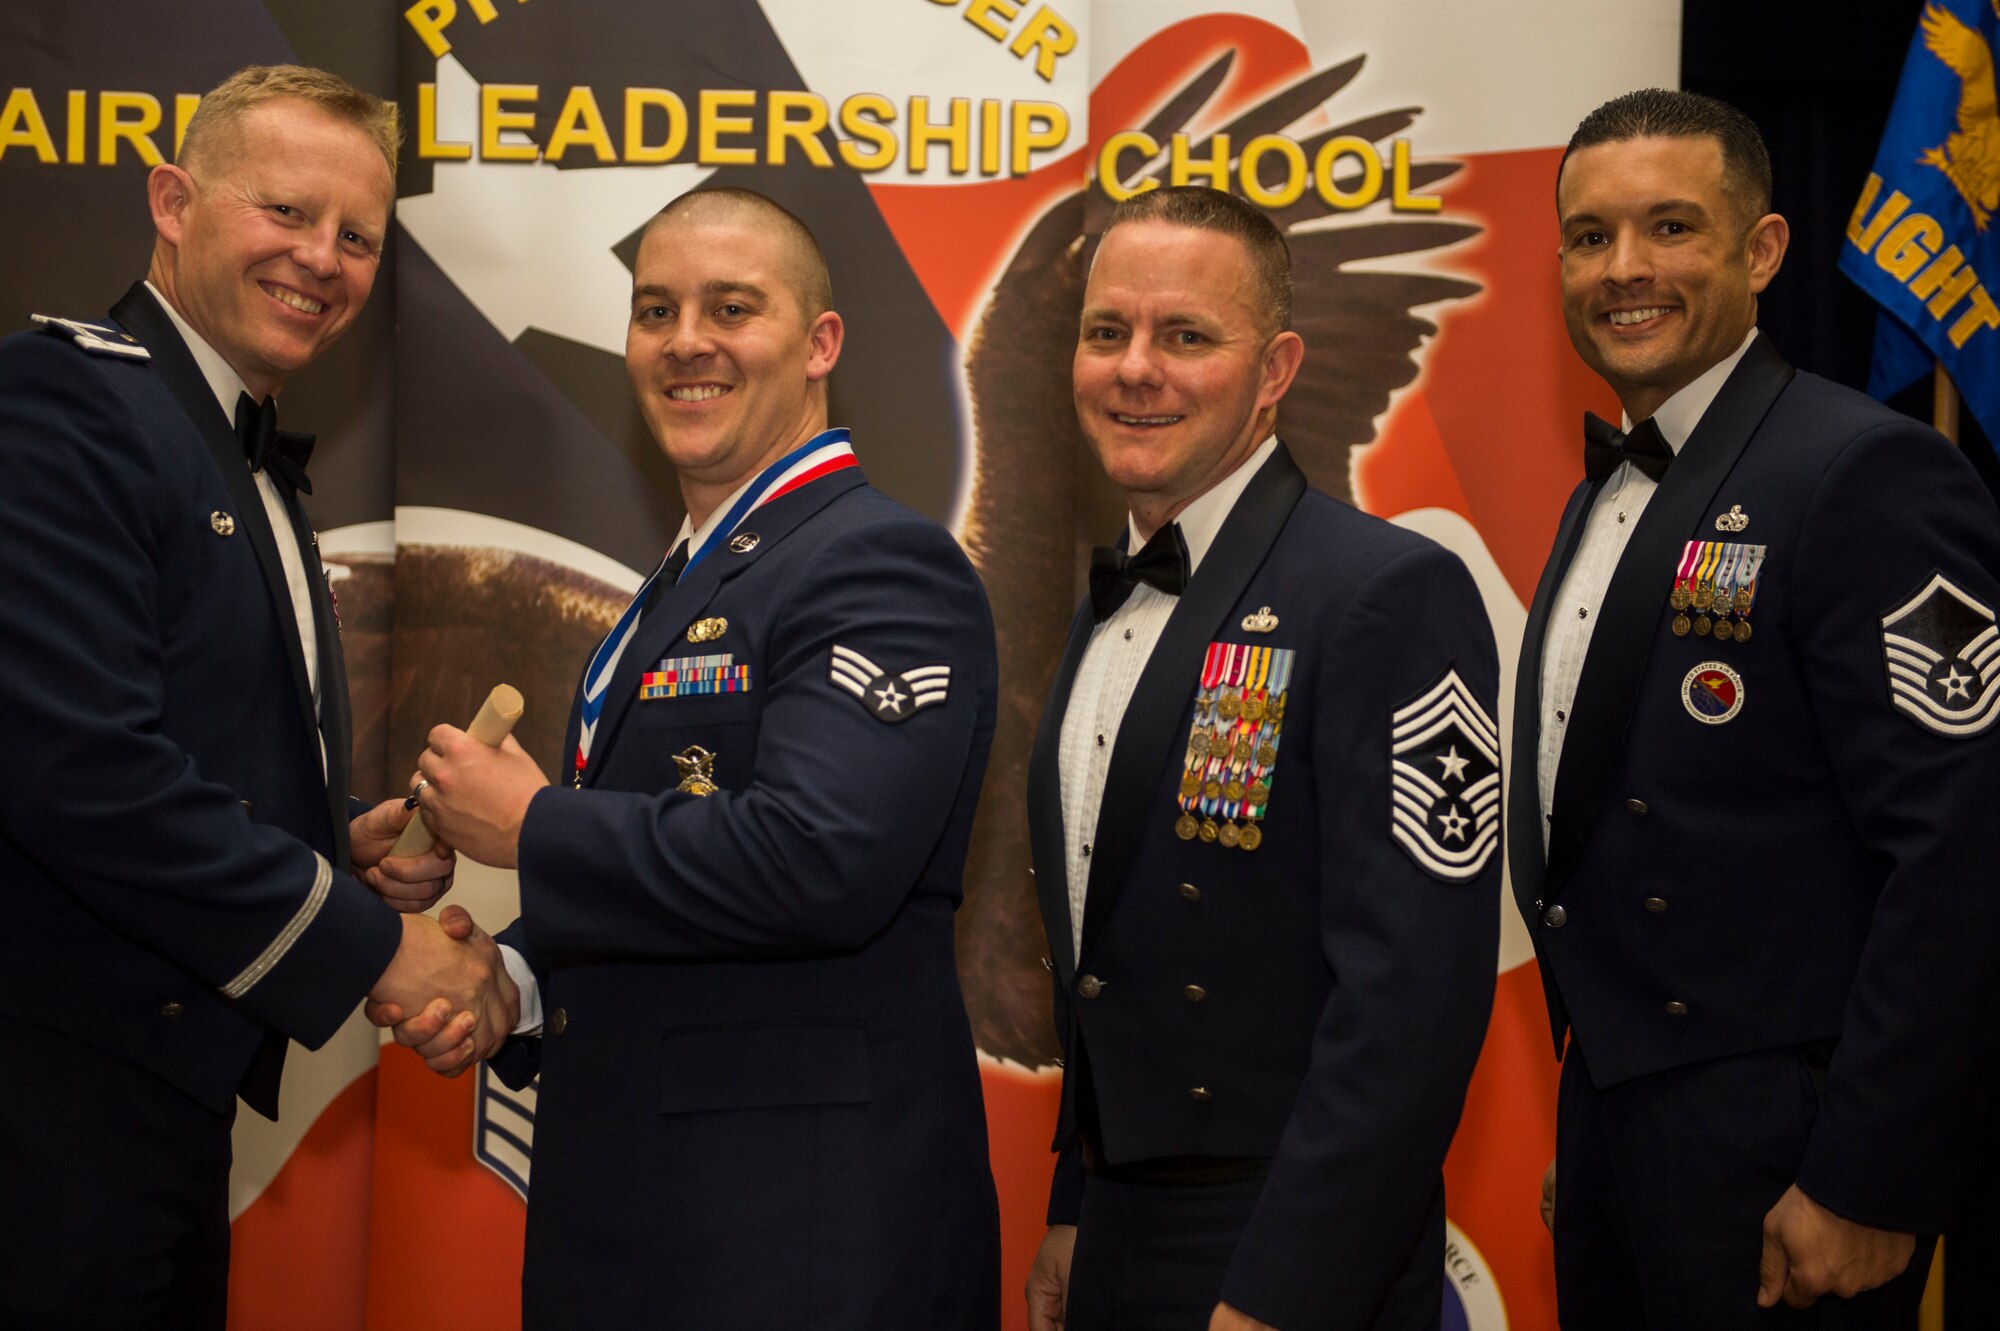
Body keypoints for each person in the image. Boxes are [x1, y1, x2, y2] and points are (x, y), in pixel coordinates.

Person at [379, 187, 1003, 1328]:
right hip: (649, 1224)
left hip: (796, 1244)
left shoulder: (875, 563)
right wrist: (512, 982)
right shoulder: (692, 576)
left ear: (819, 343)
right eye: (654, 309)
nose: (685, 342)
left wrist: (535, 827)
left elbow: (819, 860)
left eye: (731, 307)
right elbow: (677, 891)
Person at [0, 64, 515, 1329]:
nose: (321, 259)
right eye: (284, 212)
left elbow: (175, 735)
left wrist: (335, 837)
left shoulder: (235, 448)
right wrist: (372, 946)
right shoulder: (62, 401)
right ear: (172, 201)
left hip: (151, 1108)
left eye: (356, 236)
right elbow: (83, 772)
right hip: (43, 1110)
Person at [1514, 88, 2000, 1328]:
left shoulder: (1864, 471)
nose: (1623, 270)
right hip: (1630, 1127)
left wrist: (1868, 1173)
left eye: (1669, 227)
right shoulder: (1599, 493)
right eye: (1587, 236)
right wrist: (1611, 1116)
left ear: (1760, 250)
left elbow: (1958, 850)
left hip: (1790, 1148)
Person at [1020, 185, 1500, 1331]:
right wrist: (1076, 1197)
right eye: (1106, 332)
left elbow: (1411, 1002)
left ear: (1275, 367)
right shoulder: (1100, 605)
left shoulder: (1384, 593)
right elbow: (1111, 950)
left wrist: (1284, 1286)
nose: (1136, 368)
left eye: (1185, 335)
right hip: (1122, 1228)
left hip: (1287, 1242)